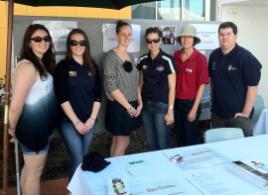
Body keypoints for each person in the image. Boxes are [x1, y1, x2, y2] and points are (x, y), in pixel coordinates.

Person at [9, 24, 57, 195]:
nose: (43, 42)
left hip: (39, 128)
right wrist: (12, 129)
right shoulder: (28, 67)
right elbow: (15, 106)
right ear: (28, 43)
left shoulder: (39, 64)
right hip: (33, 130)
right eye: (37, 39)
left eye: (46, 38)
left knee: (30, 170)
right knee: (34, 173)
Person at [54, 28, 101, 179]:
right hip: (69, 122)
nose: (78, 46)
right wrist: (76, 123)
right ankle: (73, 191)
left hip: (89, 120)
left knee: (83, 156)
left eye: (82, 42)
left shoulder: (92, 65)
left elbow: (98, 95)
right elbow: (62, 98)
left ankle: (80, 189)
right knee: (78, 158)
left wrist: (92, 119)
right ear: (69, 45)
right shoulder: (63, 66)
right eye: (74, 42)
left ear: (86, 45)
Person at [208, 21, 262, 136]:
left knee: (240, 149)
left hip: (238, 115)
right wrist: (213, 102)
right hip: (217, 114)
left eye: (228, 34)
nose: (224, 37)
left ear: (235, 36)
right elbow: (213, 81)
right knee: (219, 147)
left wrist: (245, 113)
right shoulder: (214, 56)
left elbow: (252, 87)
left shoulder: (245, 57)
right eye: (221, 34)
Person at [103, 20, 142, 156]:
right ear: (117, 36)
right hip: (119, 107)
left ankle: (112, 172)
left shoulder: (130, 56)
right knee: (122, 142)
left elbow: (135, 80)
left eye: (129, 34)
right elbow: (111, 86)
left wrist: (140, 101)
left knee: (117, 140)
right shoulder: (110, 57)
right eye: (123, 34)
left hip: (131, 105)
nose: (127, 37)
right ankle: (116, 176)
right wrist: (129, 108)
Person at [137, 27, 176, 151]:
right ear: (146, 41)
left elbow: (172, 87)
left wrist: (170, 111)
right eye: (149, 41)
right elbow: (140, 83)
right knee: (151, 143)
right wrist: (139, 102)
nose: (152, 44)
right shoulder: (142, 60)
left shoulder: (167, 60)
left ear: (160, 40)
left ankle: (165, 170)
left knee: (163, 143)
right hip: (146, 106)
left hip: (162, 106)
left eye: (155, 40)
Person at [173, 24, 209, 146]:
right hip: (177, 103)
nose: (186, 40)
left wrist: (194, 110)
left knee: (190, 139)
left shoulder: (200, 58)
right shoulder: (176, 56)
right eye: (183, 37)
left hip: (191, 104)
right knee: (179, 136)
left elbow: (202, 85)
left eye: (189, 37)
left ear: (194, 40)